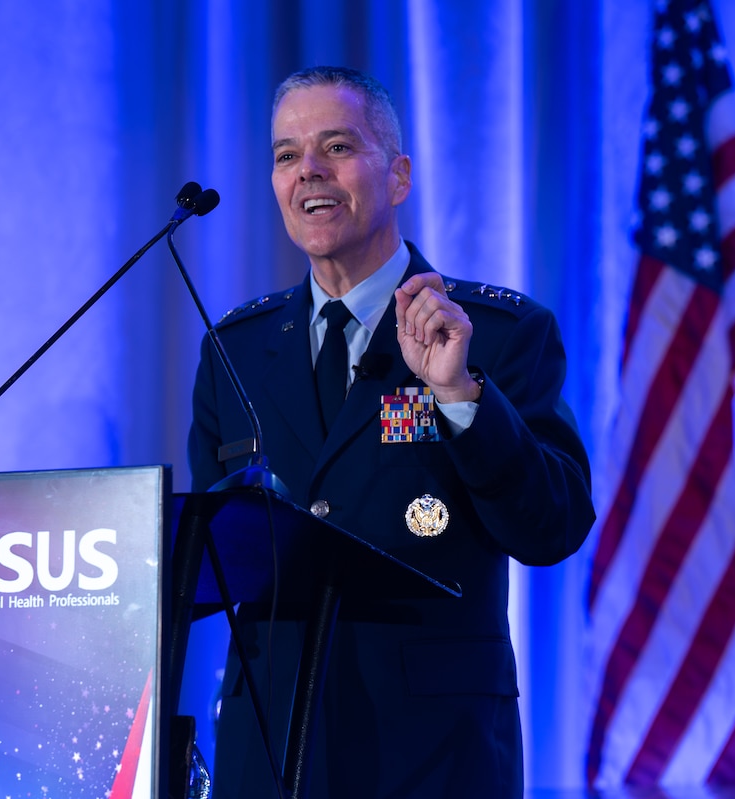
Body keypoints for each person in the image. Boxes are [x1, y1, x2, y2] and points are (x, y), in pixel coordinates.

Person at [187, 65, 595, 798]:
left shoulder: (499, 334)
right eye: (286, 154)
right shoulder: (235, 351)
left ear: (398, 176)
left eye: (336, 146)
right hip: (269, 752)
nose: (308, 169)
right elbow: (211, 554)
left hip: (430, 755)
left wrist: (459, 394)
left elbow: (553, 525)